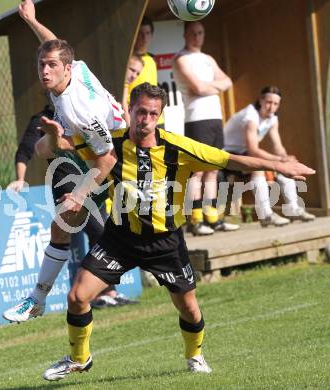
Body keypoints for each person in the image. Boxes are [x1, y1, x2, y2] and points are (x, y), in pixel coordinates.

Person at [39, 83, 315, 381]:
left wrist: (279, 165)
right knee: (77, 296)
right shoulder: (109, 144)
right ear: (129, 110)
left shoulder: (178, 148)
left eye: (152, 113)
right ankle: (80, 359)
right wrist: (55, 137)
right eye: (141, 111)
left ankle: (195, 355)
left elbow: (230, 159)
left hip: (165, 243)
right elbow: (63, 145)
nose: (145, 118)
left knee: (190, 311)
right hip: (120, 239)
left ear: (160, 115)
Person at [3, 0, 127, 322]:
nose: (45, 70)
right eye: (42, 65)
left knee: (74, 217)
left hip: (116, 155)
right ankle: (37, 299)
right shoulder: (76, 68)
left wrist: (80, 194)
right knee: (60, 213)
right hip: (87, 146)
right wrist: (31, 19)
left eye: (51, 66)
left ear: (66, 69)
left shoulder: (80, 109)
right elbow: (55, 45)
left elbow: (108, 160)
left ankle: (44, 297)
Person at [6, 105, 132, 311]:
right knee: (85, 231)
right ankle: (52, 296)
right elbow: (30, 149)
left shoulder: (84, 112)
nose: (46, 72)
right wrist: (20, 178)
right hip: (66, 184)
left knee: (100, 233)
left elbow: (113, 139)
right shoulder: (43, 118)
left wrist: (121, 107)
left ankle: (105, 292)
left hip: (91, 182)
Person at [173, 21, 238, 236]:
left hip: (215, 118)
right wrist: (212, 87)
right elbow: (198, 87)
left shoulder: (208, 58)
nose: (197, 36)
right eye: (192, 33)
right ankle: (196, 219)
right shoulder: (181, 59)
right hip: (197, 120)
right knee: (198, 172)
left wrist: (210, 88)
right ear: (185, 34)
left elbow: (227, 81)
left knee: (213, 170)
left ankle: (213, 217)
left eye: (200, 32)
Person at [223, 86, 316, 226]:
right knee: (259, 167)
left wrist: (285, 159)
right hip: (227, 155)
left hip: (245, 154)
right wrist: (280, 160)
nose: (271, 107)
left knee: (286, 167)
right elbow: (253, 150)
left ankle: (293, 209)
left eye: (275, 104)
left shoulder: (272, 118)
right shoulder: (251, 116)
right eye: (268, 102)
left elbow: (277, 146)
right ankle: (265, 214)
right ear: (260, 100)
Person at [128, 16, 165, 128]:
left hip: (157, 119)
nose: (144, 37)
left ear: (151, 35)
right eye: (140, 33)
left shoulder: (152, 60)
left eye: (147, 33)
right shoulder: (127, 61)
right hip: (137, 118)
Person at [122, 54, 144, 126]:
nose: (134, 76)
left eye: (137, 73)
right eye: (132, 70)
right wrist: (130, 130)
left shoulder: (125, 85)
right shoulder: (119, 85)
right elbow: (124, 108)